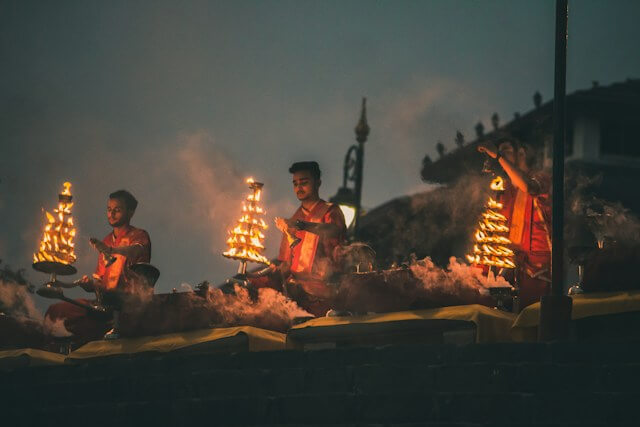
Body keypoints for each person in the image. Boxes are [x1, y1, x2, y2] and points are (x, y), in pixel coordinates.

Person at [44, 190, 151, 341]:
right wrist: (90, 285)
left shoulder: (139, 235)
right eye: (109, 209)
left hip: (128, 305)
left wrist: (111, 251)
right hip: (104, 307)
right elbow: (100, 283)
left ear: (131, 212)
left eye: (117, 210)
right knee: (55, 312)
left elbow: (136, 250)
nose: (111, 214)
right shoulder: (106, 241)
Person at [251, 161, 347, 316]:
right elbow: (286, 264)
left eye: (304, 182)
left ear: (318, 183)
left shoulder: (330, 211)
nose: (299, 188)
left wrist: (301, 225)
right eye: (295, 184)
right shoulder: (293, 220)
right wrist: (264, 274)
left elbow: (333, 231)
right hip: (297, 298)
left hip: (325, 296)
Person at [478, 138, 552, 309]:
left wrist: (498, 156)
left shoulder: (541, 178)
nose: (501, 156)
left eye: (506, 150)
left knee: (532, 316)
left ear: (521, 153)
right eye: (500, 152)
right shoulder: (505, 188)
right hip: (509, 267)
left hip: (537, 270)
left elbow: (528, 187)